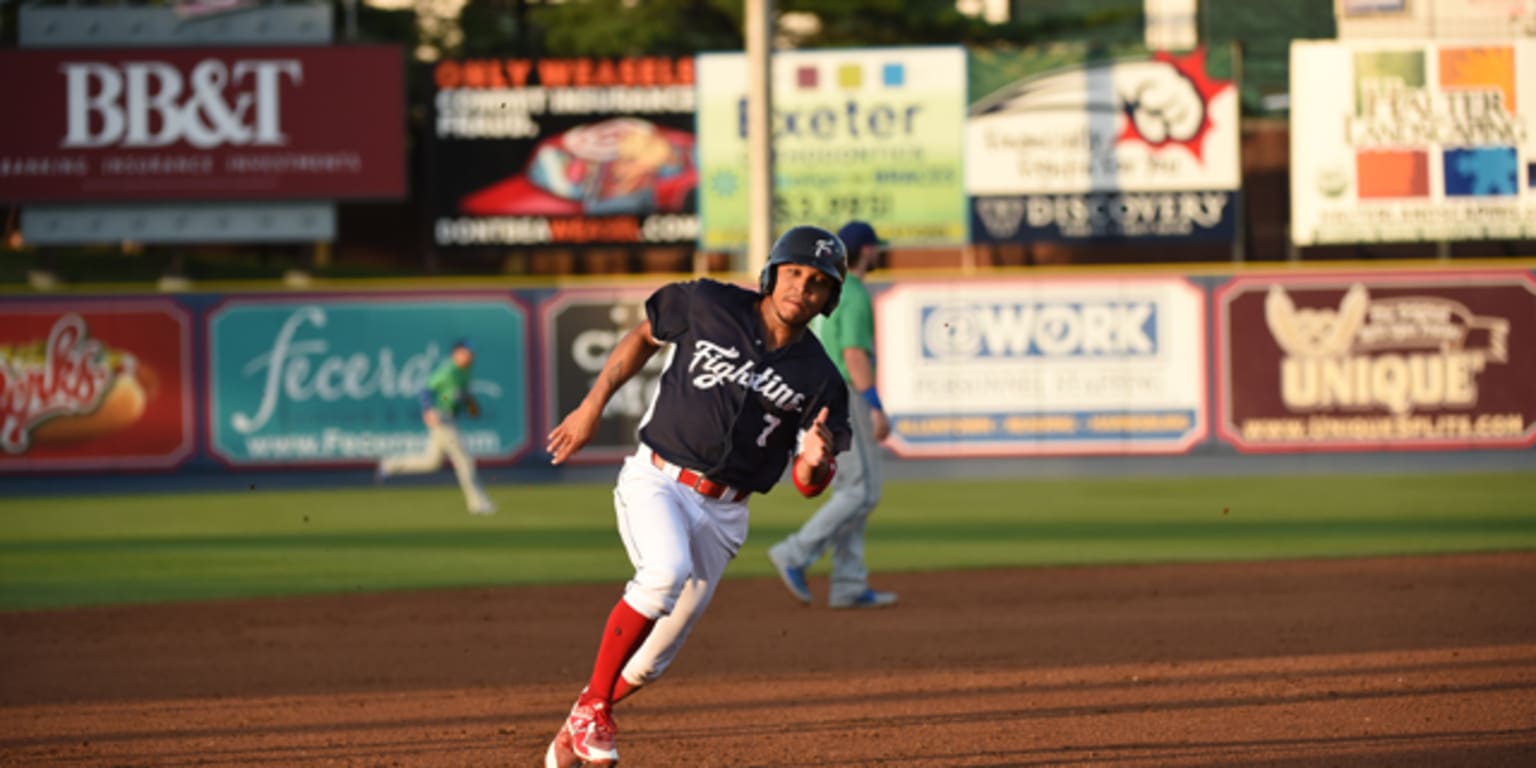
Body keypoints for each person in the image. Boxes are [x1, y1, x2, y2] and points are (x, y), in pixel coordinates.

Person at [541, 225, 853, 768]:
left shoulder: (822, 379)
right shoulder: (709, 303)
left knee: (651, 662)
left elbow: (810, 485)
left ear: (830, 298)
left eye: (818, 283)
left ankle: (577, 725)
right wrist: (591, 406)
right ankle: (594, 706)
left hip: (726, 514)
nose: (801, 288)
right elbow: (644, 335)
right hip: (658, 479)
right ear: (772, 272)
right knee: (664, 571)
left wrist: (814, 463)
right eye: (795, 273)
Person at [767, 220, 896, 609]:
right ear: (867, 251)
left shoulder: (834, 294)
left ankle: (848, 582)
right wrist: (875, 405)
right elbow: (854, 355)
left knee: (852, 491)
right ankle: (796, 552)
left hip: (820, 392)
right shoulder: (853, 293)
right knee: (862, 490)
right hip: (846, 394)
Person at [376, 339, 496, 516]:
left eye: (471, 353)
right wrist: (428, 410)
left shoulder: (465, 371)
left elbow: (459, 395)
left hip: (449, 416)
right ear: (457, 353)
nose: (470, 356)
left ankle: (390, 464)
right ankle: (477, 503)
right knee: (464, 462)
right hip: (442, 417)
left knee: (431, 462)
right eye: (466, 353)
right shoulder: (448, 371)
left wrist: (469, 404)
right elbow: (427, 390)